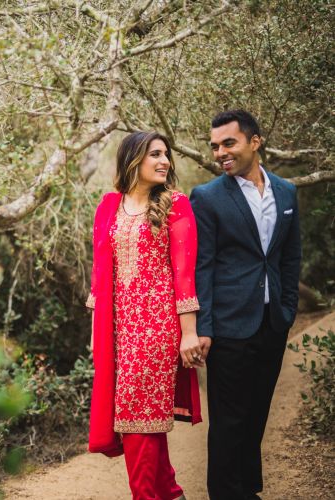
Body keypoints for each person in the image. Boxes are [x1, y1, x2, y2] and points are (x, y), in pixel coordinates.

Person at [190, 110, 301, 500]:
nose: (220, 152)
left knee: (256, 415)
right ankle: (225, 493)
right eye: (215, 146)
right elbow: (202, 266)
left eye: (228, 143)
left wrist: (287, 311)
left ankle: (247, 489)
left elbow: (289, 258)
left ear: (255, 142)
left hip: (272, 324)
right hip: (229, 327)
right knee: (228, 420)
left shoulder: (287, 193)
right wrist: (203, 327)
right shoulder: (206, 197)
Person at [86, 131, 203, 500]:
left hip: (157, 330)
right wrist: (96, 334)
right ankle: (170, 492)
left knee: (137, 422)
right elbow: (99, 276)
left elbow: (184, 274)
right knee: (143, 422)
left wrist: (188, 333)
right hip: (119, 331)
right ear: (132, 159)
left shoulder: (176, 204)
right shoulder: (108, 206)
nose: (164, 161)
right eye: (155, 154)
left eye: (166, 155)